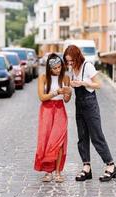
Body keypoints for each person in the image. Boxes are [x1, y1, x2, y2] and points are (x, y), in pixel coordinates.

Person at [63, 45, 116, 182]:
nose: (69, 63)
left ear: (77, 57)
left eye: (71, 60)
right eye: (68, 61)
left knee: (96, 136)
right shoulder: (72, 68)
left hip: (90, 104)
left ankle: (111, 166)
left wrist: (82, 83)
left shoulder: (87, 66)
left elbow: (98, 84)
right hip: (79, 105)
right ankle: (86, 167)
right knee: (82, 137)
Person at [34, 53, 72, 183]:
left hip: (60, 110)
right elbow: (41, 97)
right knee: (46, 140)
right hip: (46, 110)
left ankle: (57, 171)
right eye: (55, 68)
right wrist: (56, 92)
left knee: (59, 141)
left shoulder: (65, 78)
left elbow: (66, 100)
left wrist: (69, 93)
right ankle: (48, 171)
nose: (58, 70)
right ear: (49, 68)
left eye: (59, 67)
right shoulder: (43, 78)